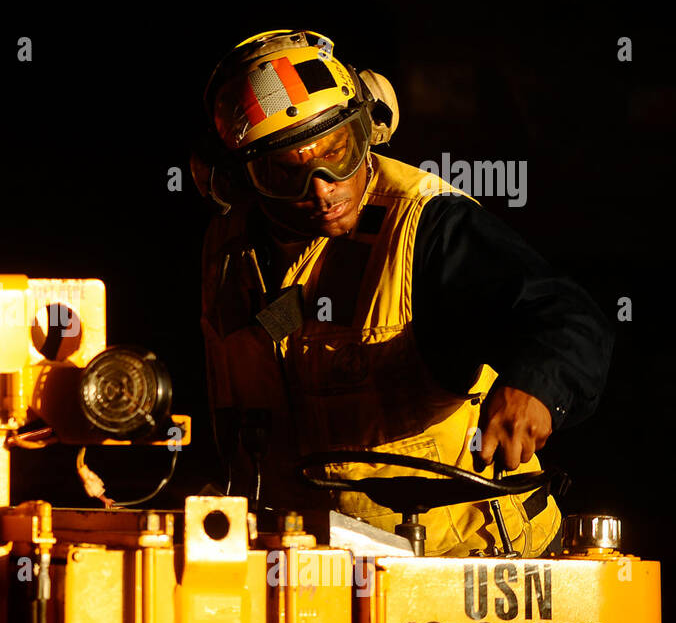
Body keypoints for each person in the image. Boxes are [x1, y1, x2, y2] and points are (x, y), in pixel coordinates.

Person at [191, 30, 612, 557]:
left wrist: (538, 383)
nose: (323, 188)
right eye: (287, 172)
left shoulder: (428, 225)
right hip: (306, 570)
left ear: (369, 128)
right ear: (236, 180)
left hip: (470, 570)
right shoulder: (228, 249)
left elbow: (566, 316)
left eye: (337, 152)